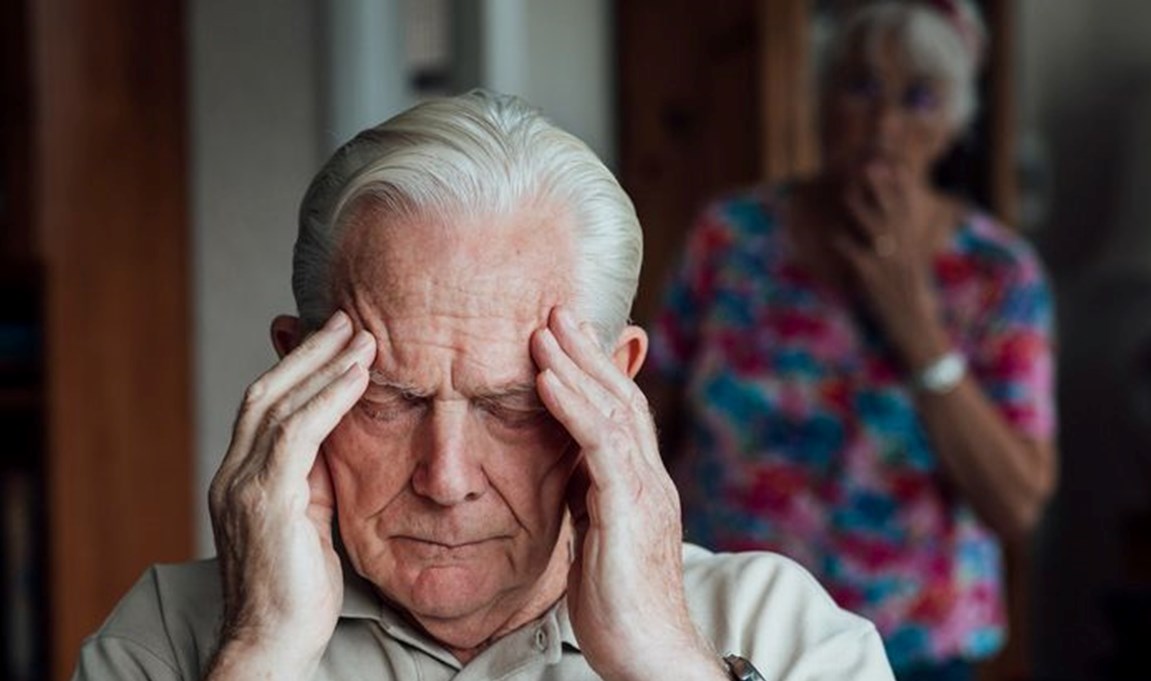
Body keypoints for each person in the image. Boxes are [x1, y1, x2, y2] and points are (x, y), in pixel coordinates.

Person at [72, 91, 895, 680]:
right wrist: (260, 653)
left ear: (617, 388)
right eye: (389, 399)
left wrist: (663, 660)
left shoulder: (783, 634)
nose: (446, 478)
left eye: (512, 407)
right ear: (295, 373)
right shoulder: (167, 639)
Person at [646, 2, 1057, 679]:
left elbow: (1017, 501)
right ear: (822, 100)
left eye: (918, 98)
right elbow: (652, 410)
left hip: (917, 649)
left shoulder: (995, 272)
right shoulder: (732, 235)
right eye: (861, 87)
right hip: (731, 627)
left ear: (954, 125)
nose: (884, 124)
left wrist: (914, 323)